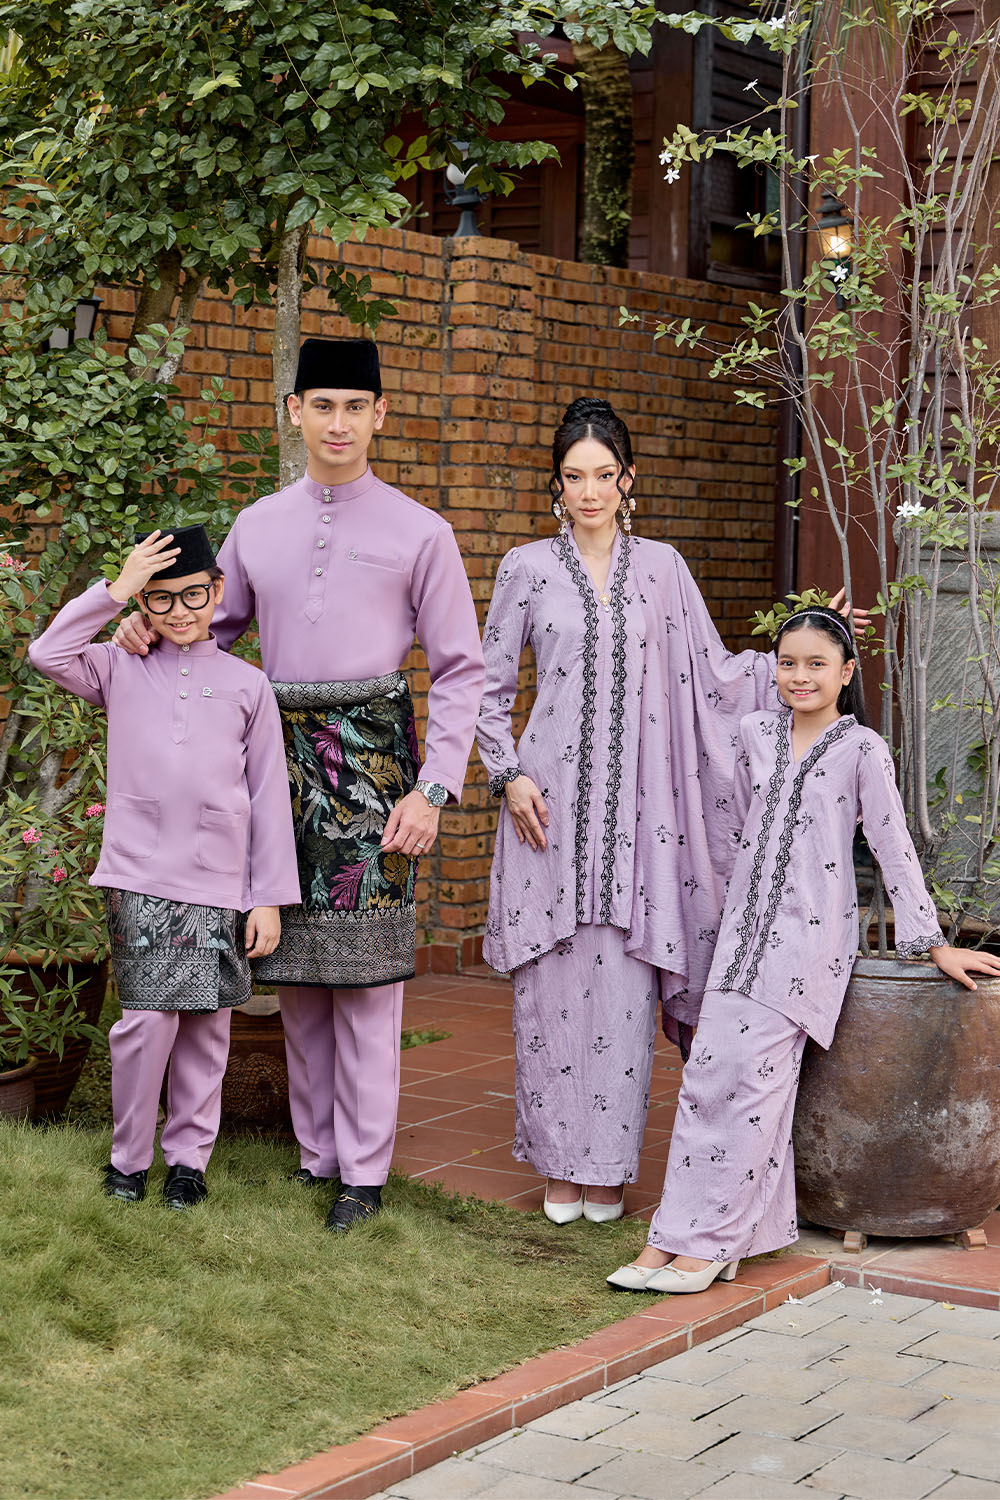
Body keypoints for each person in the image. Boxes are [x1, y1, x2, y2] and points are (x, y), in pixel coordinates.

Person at [112, 337, 485, 1230]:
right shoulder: (258, 525)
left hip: (374, 771)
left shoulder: (422, 532)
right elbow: (211, 632)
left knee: (367, 981)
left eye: (355, 407)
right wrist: (139, 633)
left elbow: (461, 670)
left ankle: (365, 1172)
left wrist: (433, 788)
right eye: (323, 405)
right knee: (296, 970)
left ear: (380, 414)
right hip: (273, 766)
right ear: (295, 412)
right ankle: (318, 1159)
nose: (338, 424)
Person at [476, 397, 863, 1224]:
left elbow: (713, 674)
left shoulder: (662, 570)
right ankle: (558, 1166)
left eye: (603, 475)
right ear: (556, 484)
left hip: (640, 820)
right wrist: (506, 776)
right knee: (550, 989)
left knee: (620, 992)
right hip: (546, 809)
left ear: (629, 480)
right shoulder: (525, 569)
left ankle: (606, 1170)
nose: (589, 492)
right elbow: (489, 688)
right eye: (573, 476)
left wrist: (807, 649)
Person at [607, 606, 1000, 1292]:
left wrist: (933, 943)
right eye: (788, 663)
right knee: (706, 1081)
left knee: (752, 1085)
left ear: (846, 674)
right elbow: (732, 831)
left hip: (808, 942)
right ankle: (688, 1238)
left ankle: (703, 1243)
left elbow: (892, 845)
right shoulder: (755, 734)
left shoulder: (862, 749)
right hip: (742, 934)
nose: (800, 676)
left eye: (817, 663)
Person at [29, 526, 300, 1208]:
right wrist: (115, 591)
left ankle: (188, 1162)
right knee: (146, 1023)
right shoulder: (118, 667)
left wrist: (267, 896)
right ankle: (128, 1158)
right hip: (139, 873)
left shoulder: (248, 686)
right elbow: (47, 652)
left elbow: (268, 796)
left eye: (193, 595)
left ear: (218, 591)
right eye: (160, 598)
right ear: (143, 602)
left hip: (219, 879)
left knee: (207, 1025)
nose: (179, 611)